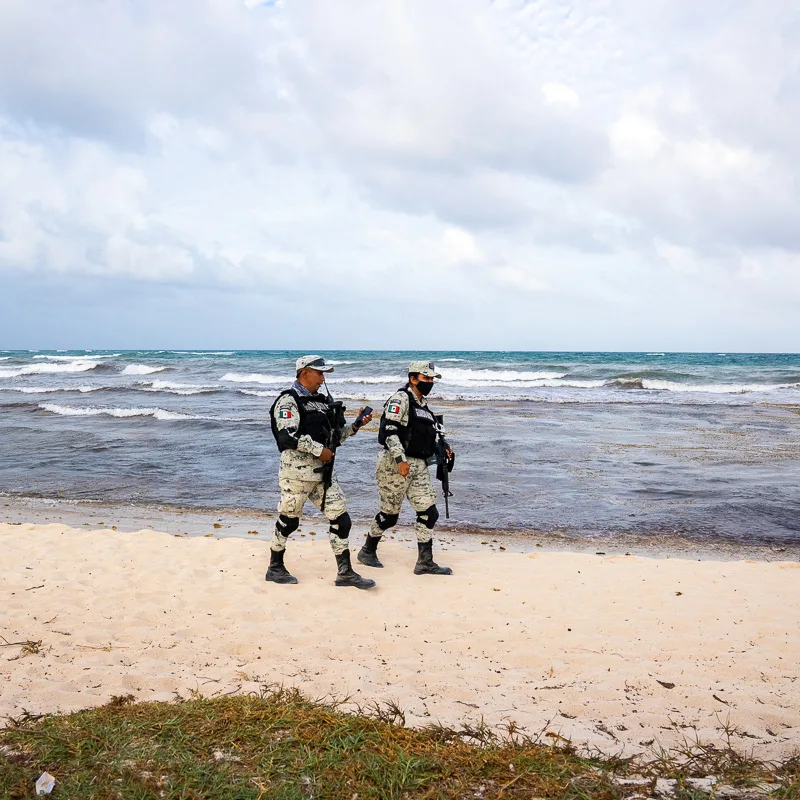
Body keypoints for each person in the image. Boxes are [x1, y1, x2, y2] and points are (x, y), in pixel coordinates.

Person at [267, 355, 375, 589]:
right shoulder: (289, 401)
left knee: (342, 519)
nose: (323, 378)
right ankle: (275, 567)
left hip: (323, 475)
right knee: (289, 521)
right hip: (297, 474)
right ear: (304, 373)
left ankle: (345, 572)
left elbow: (335, 439)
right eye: (320, 373)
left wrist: (356, 426)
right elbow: (287, 437)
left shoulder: (323, 402)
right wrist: (319, 450)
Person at [358, 361, 453, 575]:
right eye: (425, 378)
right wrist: (400, 460)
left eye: (431, 379)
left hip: (418, 466)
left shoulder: (423, 406)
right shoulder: (400, 399)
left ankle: (425, 563)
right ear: (413, 378)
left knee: (429, 512)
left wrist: (444, 447)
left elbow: (427, 435)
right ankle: (367, 550)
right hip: (394, 464)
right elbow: (389, 431)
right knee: (389, 516)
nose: (429, 382)